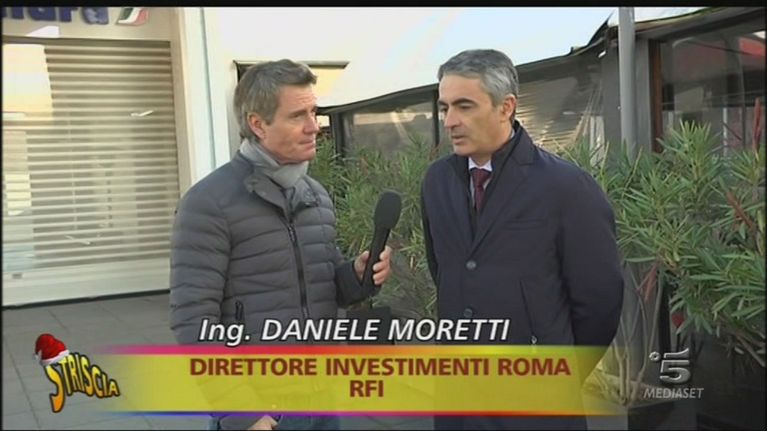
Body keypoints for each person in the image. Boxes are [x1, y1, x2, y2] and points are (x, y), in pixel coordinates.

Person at [169, 59, 392, 431]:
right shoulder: (209, 203)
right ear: (258, 125)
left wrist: (357, 275)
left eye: (314, 112)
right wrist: (241, 412)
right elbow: (193, 320)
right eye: (297, 116)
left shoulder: (315, 195)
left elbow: (327, 288)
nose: (314, 126)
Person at [420, 49, 624, 430]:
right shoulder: (436, 183)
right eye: (444, 107)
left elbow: (599, 301)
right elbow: (445, 272)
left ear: (506, 107)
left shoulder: (566, 187)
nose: (450, 121)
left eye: (464, 106)